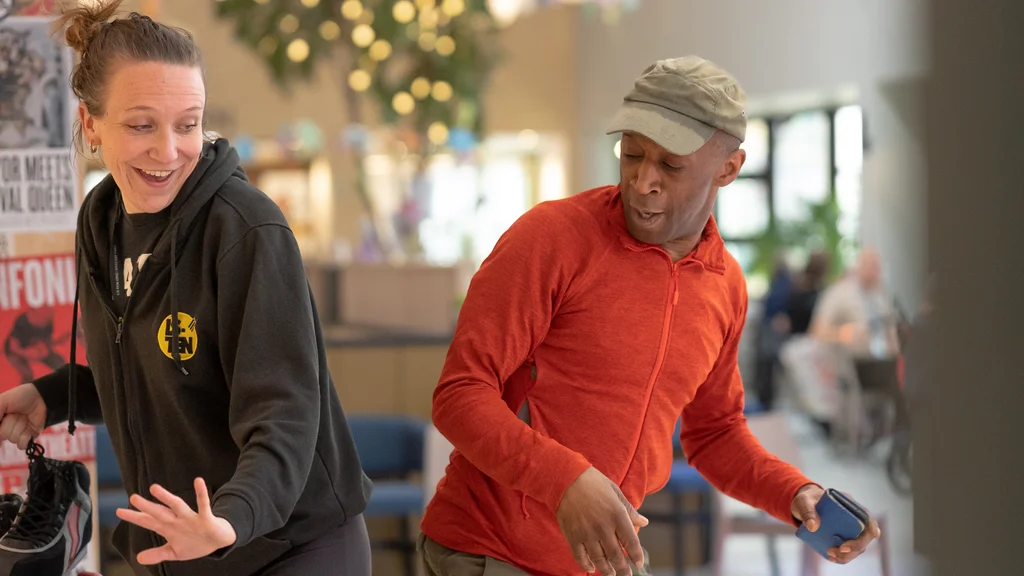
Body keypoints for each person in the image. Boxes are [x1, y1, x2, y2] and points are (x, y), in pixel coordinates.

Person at [419, 56, 882, 576]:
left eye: (671, 165)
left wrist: (793, 491)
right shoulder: (550, 239)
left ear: (728, 169)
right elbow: (460, 395)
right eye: (632, 153)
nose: (643, 182)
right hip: (490, 550)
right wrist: (566, 481)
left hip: (606, 561)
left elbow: (715, 433)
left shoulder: (724, 286)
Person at [0, 1, 372, 574]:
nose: (168, 150)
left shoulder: (247, 230)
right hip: (184, 549)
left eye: (188, 124)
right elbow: (151, 369)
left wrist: (228, 521)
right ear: (89, 123)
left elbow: (284, 412)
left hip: (289, 547)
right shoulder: (100, 222)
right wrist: (53, 395)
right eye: (141, 125)